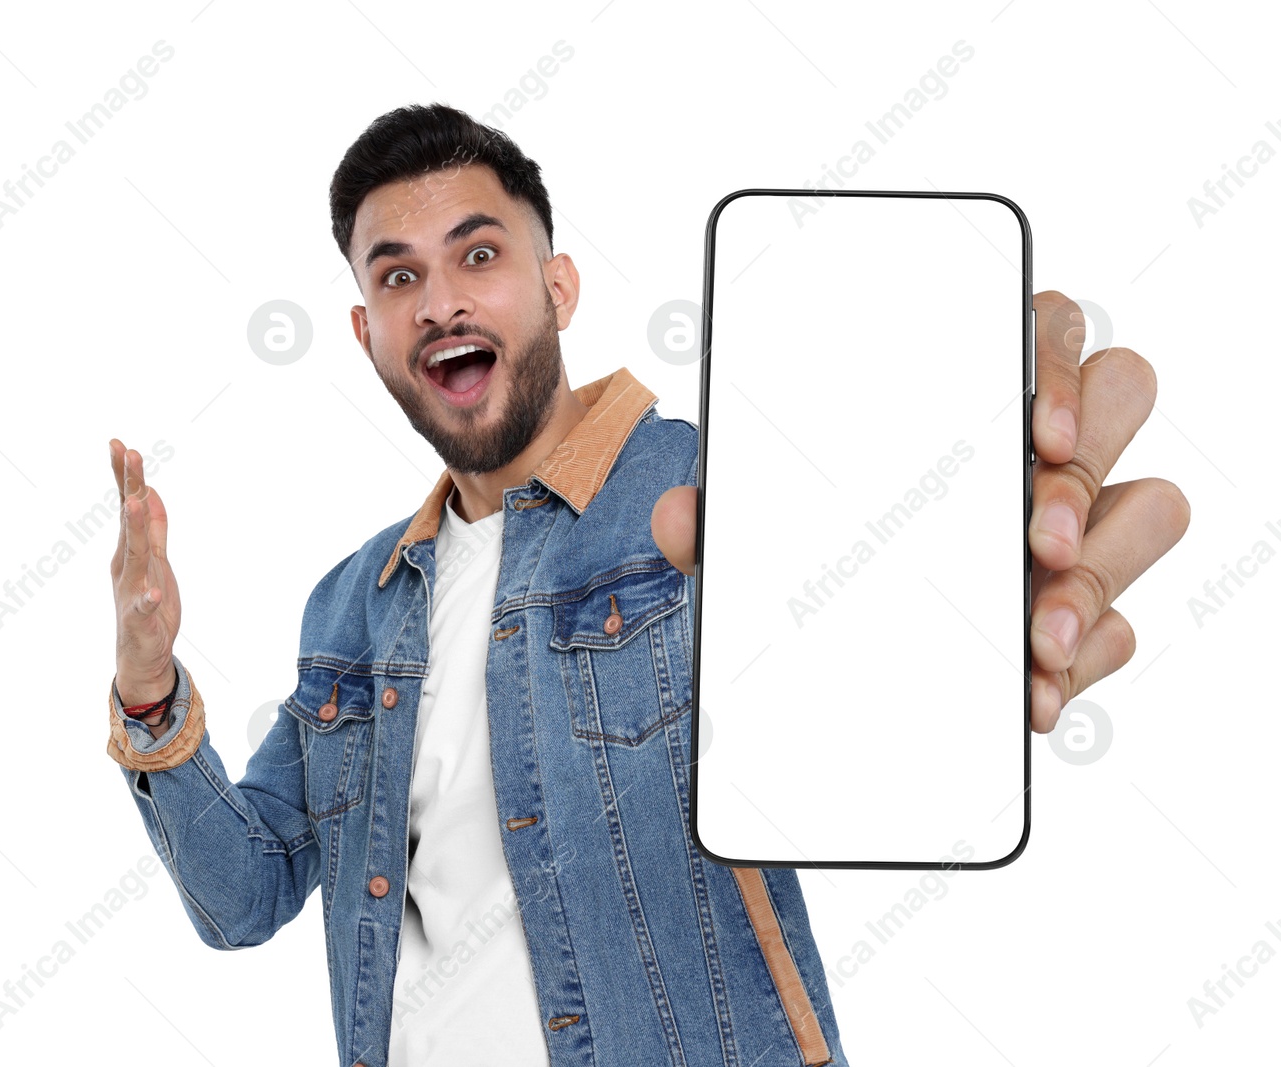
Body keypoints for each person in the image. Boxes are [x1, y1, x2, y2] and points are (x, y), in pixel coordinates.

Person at [103, 104, 1189, 1067]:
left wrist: (968, 575)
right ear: (366, 332)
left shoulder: (719, 491)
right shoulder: (354, 600)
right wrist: (149, 689)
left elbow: (876, 684)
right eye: (397, 277)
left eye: (477, 255)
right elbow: (240, 899)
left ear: (557, 287)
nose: (438, 302)